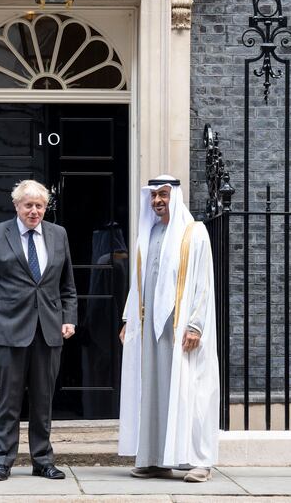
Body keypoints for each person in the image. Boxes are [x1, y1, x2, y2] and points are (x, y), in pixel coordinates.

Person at [0, 179, 78, 481]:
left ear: (46, 207)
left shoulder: (59, 235)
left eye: (39, 205)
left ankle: (42, 460)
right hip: (7, 329)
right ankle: (3, 460)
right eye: (28, 205)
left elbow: (67, 284)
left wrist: (69, 317)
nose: (34, 211)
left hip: (48, 330)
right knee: (9, 399)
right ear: (16, 205)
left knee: (43, 400)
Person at [118, 175, 219, 483]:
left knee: (189, 391)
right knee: (152, 390)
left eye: (163, 194)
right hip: (149, 326)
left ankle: (198, 461)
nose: (158, 201)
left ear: (175, 196)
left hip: (180, 328)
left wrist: (195, 325)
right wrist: (128, 320)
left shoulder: (194, 233)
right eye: (153, 196)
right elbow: (138, 283)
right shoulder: (147, 234)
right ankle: (155, 459)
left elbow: (203, 285)